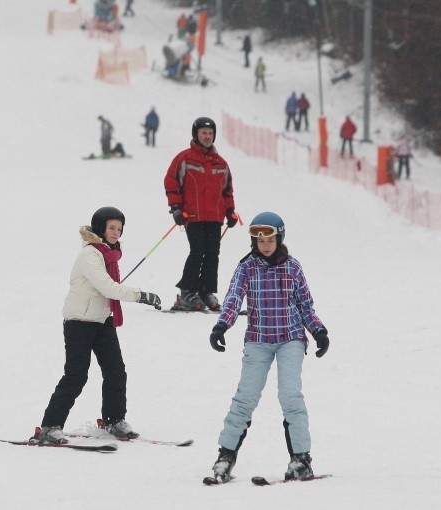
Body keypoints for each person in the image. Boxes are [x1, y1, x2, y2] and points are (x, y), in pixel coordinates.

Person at [206, 211, 330, 484]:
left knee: (290, 396)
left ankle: (301, 459)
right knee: (244, 398)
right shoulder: (247, 267)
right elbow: (233, 299)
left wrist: (319, 331)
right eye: (258, 240)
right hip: (259, 340)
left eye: (269, 239)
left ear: (279, 238)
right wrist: (221, 326)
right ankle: (225, 456)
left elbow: (305, 306)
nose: (264, 245)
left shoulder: (293, 268)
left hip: (290, 338)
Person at [32, 207, 162, 445]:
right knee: (76, 375)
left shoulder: (108, 255)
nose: (116, 232)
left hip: (102, 320)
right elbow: (108, 287)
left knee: (115, 371)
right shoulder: (91, 254)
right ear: (100, 227)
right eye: (111, 227)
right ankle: (50, 426)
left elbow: (108, 287)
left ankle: (114, 421)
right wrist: (140, 295)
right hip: (79, 322)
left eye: (120, 229)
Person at [164, 117, 237, 311]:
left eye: (210, 133)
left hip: (215, 217)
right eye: (203, 133)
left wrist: (230, 211)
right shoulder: (185, 158)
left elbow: (227, 190)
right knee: (197, 251)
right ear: (196, 134)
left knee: (213, 254)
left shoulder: (221, 163)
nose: (207, 136)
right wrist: (176, 208)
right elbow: (172, 183)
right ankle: (188, 291)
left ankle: (206, 291)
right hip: (192, 215)